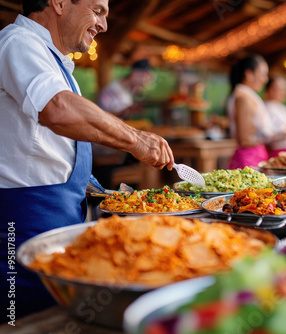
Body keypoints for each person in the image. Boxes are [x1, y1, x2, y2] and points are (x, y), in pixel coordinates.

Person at [0, 0, 174, 318]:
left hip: (58, 228)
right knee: (20, 318)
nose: (103, 25)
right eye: (98, 10)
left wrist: (97, 189)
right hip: (20, 230)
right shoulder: (18, 42)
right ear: (59, 2)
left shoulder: (58, 63)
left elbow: (50, 150)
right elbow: (57, 109)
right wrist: (135, 140)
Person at [226, 55, 274, 169]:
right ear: (249, 74)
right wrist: (280, 135)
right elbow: (245, 139)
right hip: (249, 159)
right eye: (262, 74)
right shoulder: (243, 98)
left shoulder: (246, 95)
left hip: (253, 156)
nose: (265, 79)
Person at [264, 76, 286, 156]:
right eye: (280, 89)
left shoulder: (282, 107)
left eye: (284, 89)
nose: (284, 92)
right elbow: (267, 135)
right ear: (269, 90)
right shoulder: (265, 108)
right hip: (274, 152)